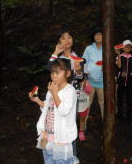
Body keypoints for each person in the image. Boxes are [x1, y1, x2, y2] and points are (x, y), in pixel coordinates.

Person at [30, 59, 77, 164]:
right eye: (52, 72)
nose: (54, 76)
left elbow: (64, 111)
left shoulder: (70, 91)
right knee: (48, 160)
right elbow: (48, 107)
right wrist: (37, 100)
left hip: (61, 138)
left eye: (58, 72)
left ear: (68, 73)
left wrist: (54, 93)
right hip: (47, 136)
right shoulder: (51, 89)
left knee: (62, 162)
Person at [46, 29, 82, 163]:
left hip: (72, 94)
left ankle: (72, 157)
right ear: (59, 41)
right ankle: (58, 153)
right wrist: (55, 52)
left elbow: (80, 77)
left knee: (70, 124)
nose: (67, 40)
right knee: (57, 123)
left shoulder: (77, 56)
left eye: (69, 37)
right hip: (57, 93)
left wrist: (78, 69)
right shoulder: (59, 59)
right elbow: (48, 68)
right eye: (63, 38)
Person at [82, 28, 104, 124]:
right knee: (87, 103)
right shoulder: (89, 48)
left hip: (103, 81)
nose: (98, 36)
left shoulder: (107, 48)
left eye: (100, 34)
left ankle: (106, 125)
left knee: (103, 103)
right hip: (90, 81)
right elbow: (83, 61)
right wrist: (87, 73)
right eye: (96, 34)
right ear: (93, 37)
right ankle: (83, 125)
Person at [115, 39, 132, 125]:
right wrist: (119, 55)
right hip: (120, 81)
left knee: (129, 101)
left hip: (130, 82)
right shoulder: (119, 56)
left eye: (129, 46)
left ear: (131, 48)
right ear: (123, 48)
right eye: (126, 46)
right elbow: (119, 66)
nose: (127, 48)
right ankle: (119, 117)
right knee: (119, 100)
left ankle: (131, 118)